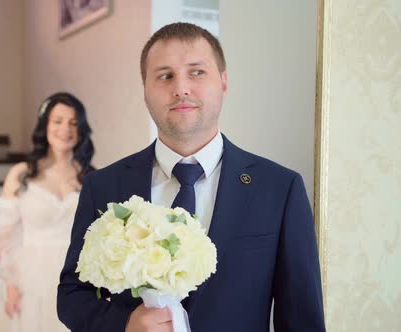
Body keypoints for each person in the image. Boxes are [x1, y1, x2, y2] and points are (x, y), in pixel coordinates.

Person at [57, 22, 326, 331]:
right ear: (144, 90)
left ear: (223, 82)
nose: (181, 88)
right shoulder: (102, 186)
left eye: (197, 72)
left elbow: (302, 317)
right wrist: (124, 324)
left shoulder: (280, 189)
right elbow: (72, 295)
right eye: (165, 76)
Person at [0, 92, 95, 332]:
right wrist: (9, 285)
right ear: (45, 125)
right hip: (29, 278)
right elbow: (4, 236)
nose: (65, 129)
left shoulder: (93, 176)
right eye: (58, 121)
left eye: (73, 123)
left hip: (76, 275)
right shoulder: (21, 173)